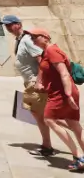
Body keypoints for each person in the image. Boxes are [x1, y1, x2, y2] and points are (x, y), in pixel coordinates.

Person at [28, 28, 84, 171]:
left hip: (61, 94)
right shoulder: (47, 51)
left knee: (49, 120)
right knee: (74, 125)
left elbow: (64, 74)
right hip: (61, 92)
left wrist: (68, 95)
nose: (32, 39)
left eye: (35, 36)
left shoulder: (52, 51)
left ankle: (78, 156)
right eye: (31, 37)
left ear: (46, 37)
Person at [0, 15, 53, 156]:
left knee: (43, 115)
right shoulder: (19, 39)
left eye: (10, 24)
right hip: (30, 81)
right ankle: (47, 144)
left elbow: (41, 60)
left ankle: (47, 145)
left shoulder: (28, 39)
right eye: (6, 25)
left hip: (35, 81)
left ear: (18, 24)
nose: (7, 27)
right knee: (40, 113)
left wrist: (39, 81)